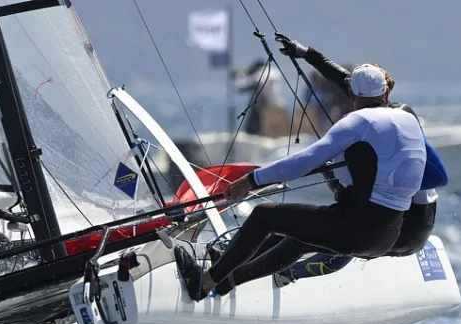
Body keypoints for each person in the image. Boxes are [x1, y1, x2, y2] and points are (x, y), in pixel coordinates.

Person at [174, 63, 427, 301]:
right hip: (387, 236)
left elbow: (305, 160)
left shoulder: (356, 122)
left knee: (264, 216)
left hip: (355, 229)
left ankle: (204, 282)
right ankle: (229, 275)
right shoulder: (408, 118)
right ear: (386, 92)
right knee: (299, 236)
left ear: (351, 94)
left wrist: (251, 180)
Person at [274, 33, 447, 260]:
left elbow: (346, 83)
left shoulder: (390, 119)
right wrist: (306, 54)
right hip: (416, 225)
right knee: (325, 223)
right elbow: (345, 82)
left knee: (341, 218)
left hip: (406, 228)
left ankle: (283, 270)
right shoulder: (398, 115)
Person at [235, 58, 288, 137]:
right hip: (278, 107)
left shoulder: (260, 75)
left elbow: (241, 87)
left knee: (251, 131)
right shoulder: (274, 73)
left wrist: (241, 74)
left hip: (264, 110)